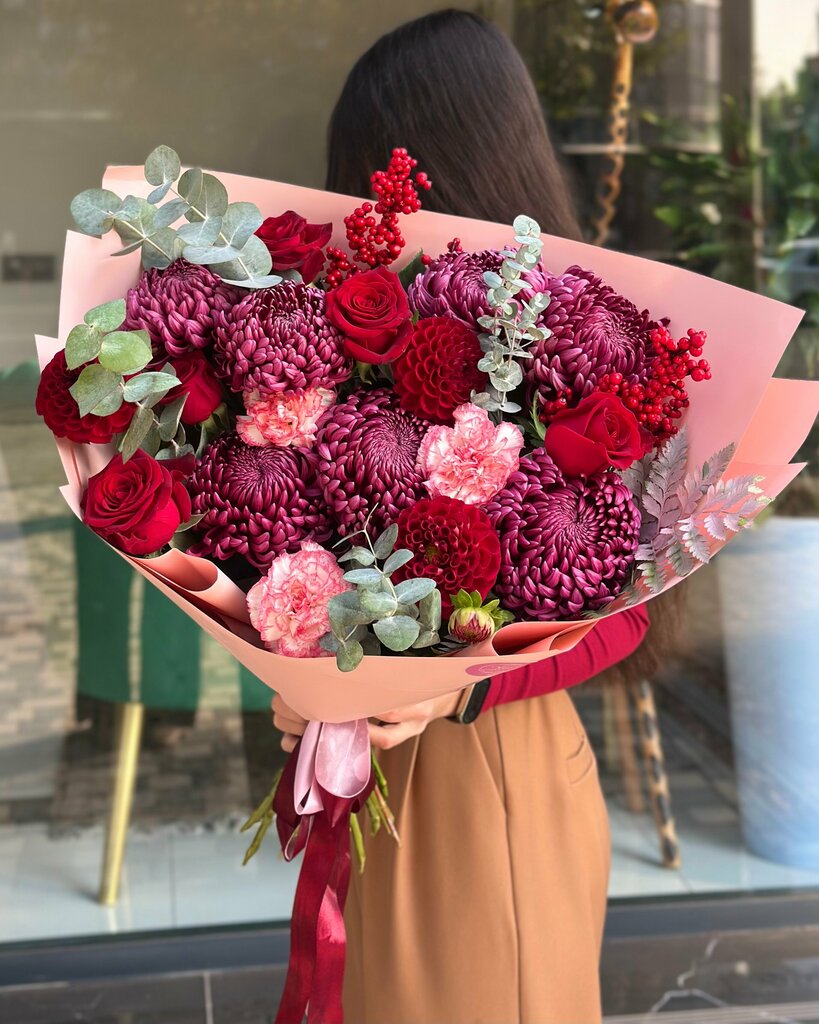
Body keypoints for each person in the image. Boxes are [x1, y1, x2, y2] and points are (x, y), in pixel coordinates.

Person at [272, 10, 665, 1023]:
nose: (361, 204)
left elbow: (629, 613)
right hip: (387, 774)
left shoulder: (573, 342)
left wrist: (458, 692)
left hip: (491, 775)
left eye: (366, 173)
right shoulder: (363, 333)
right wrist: (308, 666)